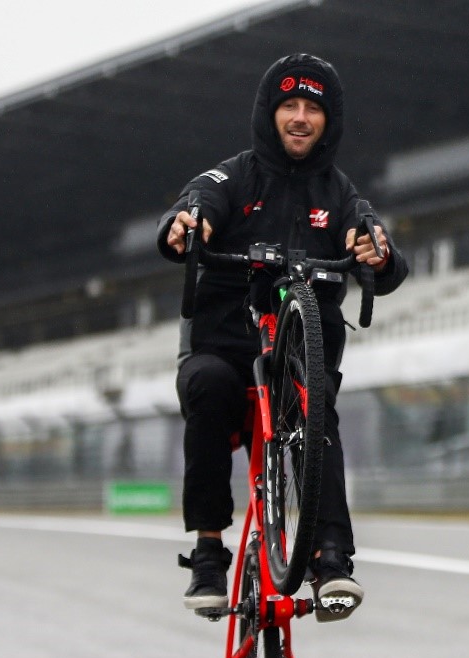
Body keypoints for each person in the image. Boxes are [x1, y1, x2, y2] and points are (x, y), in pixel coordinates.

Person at [157, 54, 409, 617]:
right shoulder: (232, 175)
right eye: (289, 106)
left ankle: (331, 558)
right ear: (269, 115)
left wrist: (377, 252)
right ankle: (207, 551)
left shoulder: (340, 193)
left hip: (299, 361)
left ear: (328, 120)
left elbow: (386, 260)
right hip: (224, 347)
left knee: (317, 407)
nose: (299, 118)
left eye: (312, 108)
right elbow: (192, 207)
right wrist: (185, 225)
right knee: (208, 386)